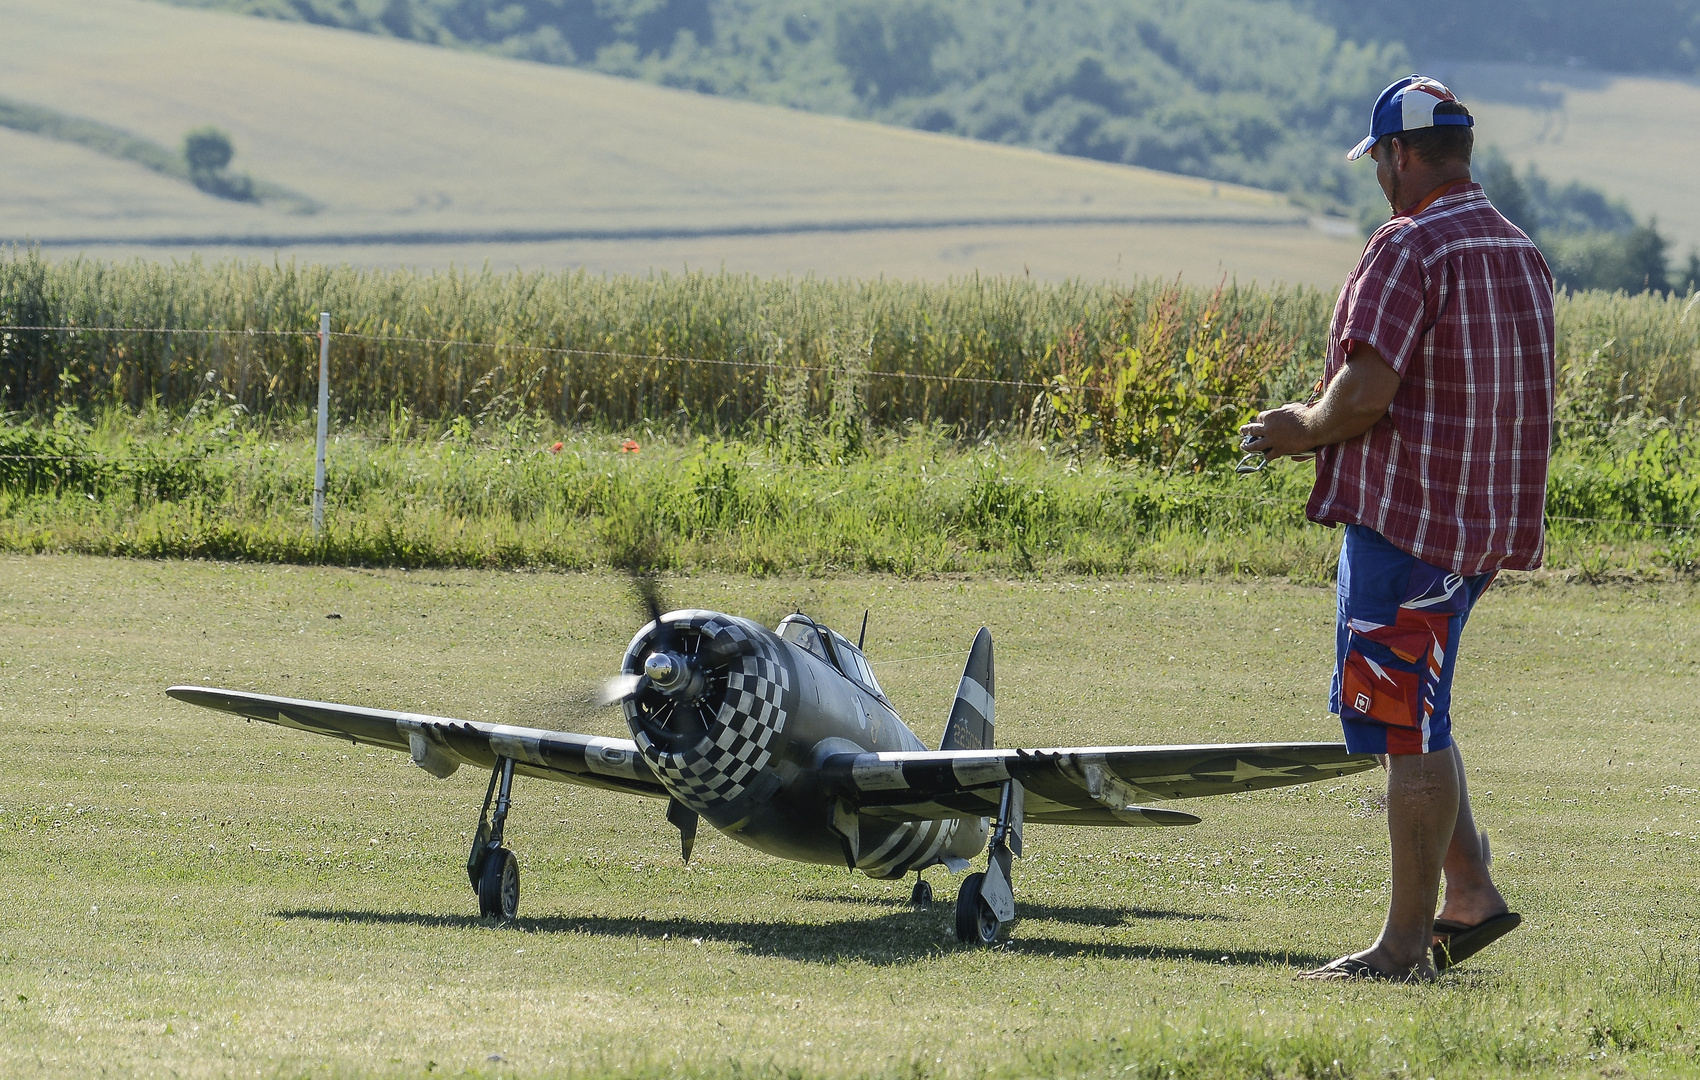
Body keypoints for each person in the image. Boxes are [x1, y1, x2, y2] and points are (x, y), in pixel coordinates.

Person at [1238, 74, 1554, 981]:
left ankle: (1405, 945)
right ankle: (1471, 893)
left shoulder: (1409, 247)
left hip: (1411, 525)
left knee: (1404, 727)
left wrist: (1295, 428)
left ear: (1404, 155)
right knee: (1421, 710)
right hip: (1482, 528)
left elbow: (1365, 395)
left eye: (1381, 156)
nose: (1380, 173)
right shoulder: (1518, 247)